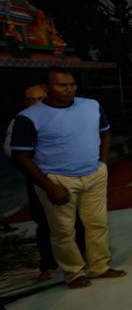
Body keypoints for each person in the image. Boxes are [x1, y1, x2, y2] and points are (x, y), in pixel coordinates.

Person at [9, 68, 126, 290]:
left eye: (72, 84)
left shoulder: (91, 105)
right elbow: (20, 157)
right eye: (61, 85)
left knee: (97, 224)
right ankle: (74, 273)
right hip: (56, 180)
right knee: (63, 230)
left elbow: (105, 133)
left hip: (94, 175)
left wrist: (102, 164)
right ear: (45, 88)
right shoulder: (28, 118)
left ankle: (99, 266)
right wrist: (48, 186)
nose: (69, 89)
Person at [4, 84, 86, 281]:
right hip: (39, 178)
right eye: (30, 100)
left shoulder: (63, 116)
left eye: (40, 99)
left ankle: (83, 257)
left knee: (77, 218)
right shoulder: (20, 122)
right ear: (25, 102)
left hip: (68, 174)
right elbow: (11, 150)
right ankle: (48, 265)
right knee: (44, 222)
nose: (35, 104)